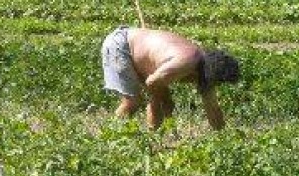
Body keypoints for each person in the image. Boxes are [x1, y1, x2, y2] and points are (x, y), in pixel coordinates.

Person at [101, 26, 240, 130]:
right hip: (120, 46)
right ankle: (110, 134)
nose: (216, 85)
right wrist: (160, 101)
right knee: (133, 102)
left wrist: (222, 136)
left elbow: (212, 107)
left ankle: (156, 137)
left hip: (141, 54)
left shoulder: (206, 69)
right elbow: (152, 83)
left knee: (166, 103)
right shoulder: (184, 62)